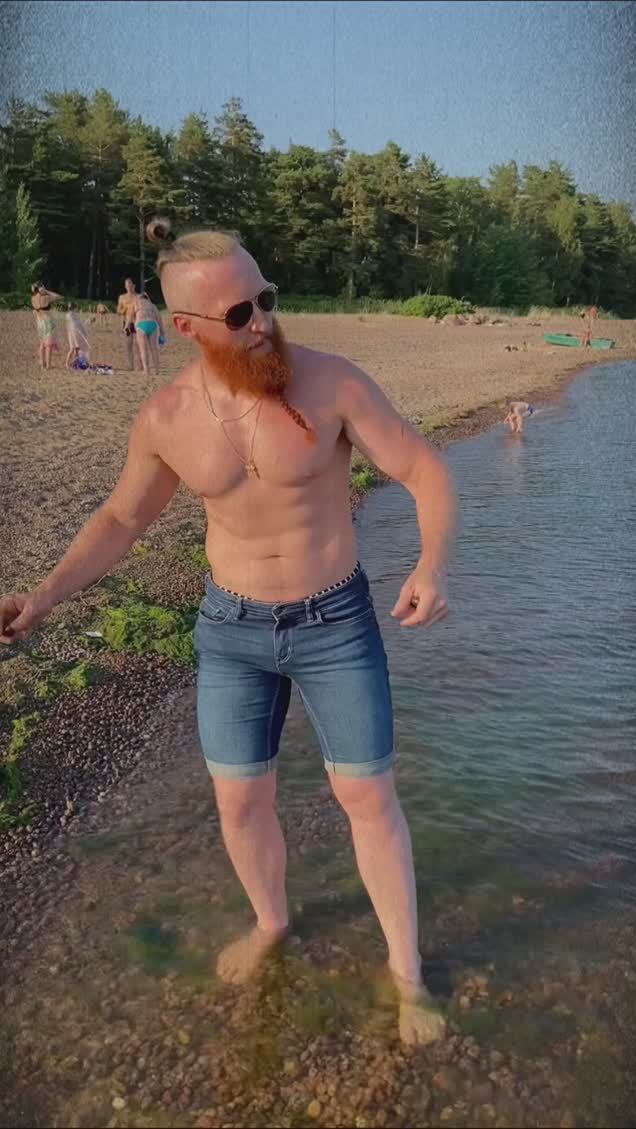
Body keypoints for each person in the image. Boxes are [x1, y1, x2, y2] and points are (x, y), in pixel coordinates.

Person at [0, 218, 456, 1046]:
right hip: (231, 629)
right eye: (241, 313)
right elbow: (121, 519)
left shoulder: (331, 383)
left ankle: (407, 974)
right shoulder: (166, 416)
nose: (265, 322)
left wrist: (430, 563)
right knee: (240, 800)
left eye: (267, 298)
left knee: (367, 796)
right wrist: (44, 596)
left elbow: (423, 469)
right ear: (184, 327)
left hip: (335, 620)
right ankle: (271, 922)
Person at [131, 290, 165, 375]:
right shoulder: (152, 305)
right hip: (152, 324)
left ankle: (146, 370)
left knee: (143, 350)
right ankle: (157, 370)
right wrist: (162, 332)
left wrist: (131, 325)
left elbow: (131, 316)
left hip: (141, 324)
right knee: (154, 349)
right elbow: (159, 318)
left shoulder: (136, 303)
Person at [31, 282, 62, 370]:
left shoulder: (33, 298)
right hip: (48, 322)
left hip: (39, 322)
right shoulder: (46, 297)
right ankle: (48, 365)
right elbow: (58, 297)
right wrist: (47, 291)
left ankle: (42, 364)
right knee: (48, 345)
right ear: (41, 288)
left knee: (42, 344)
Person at [116, 277, 141, 370]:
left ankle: (141, 365)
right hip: (127, 323)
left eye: (130, 285)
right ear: (125, 287)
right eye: (127, 285)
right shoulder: (122, 297)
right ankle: (131, 365)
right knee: (128, 344)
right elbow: (118, 311)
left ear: (134, 285)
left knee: (139, 344)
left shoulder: (138, 296)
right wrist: (124, 310)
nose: (129, 287)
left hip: (138, 322)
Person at [65, 304, 91, 369]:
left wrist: (84, 332)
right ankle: (66, 363)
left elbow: (81, 325)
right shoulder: (69, 315)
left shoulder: (77, 316)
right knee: (72, 349)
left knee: (77, 349)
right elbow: (70, 324)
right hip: (72, 335)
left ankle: (75, 362)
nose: (76, 309)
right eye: (75, 308)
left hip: (77, 335)